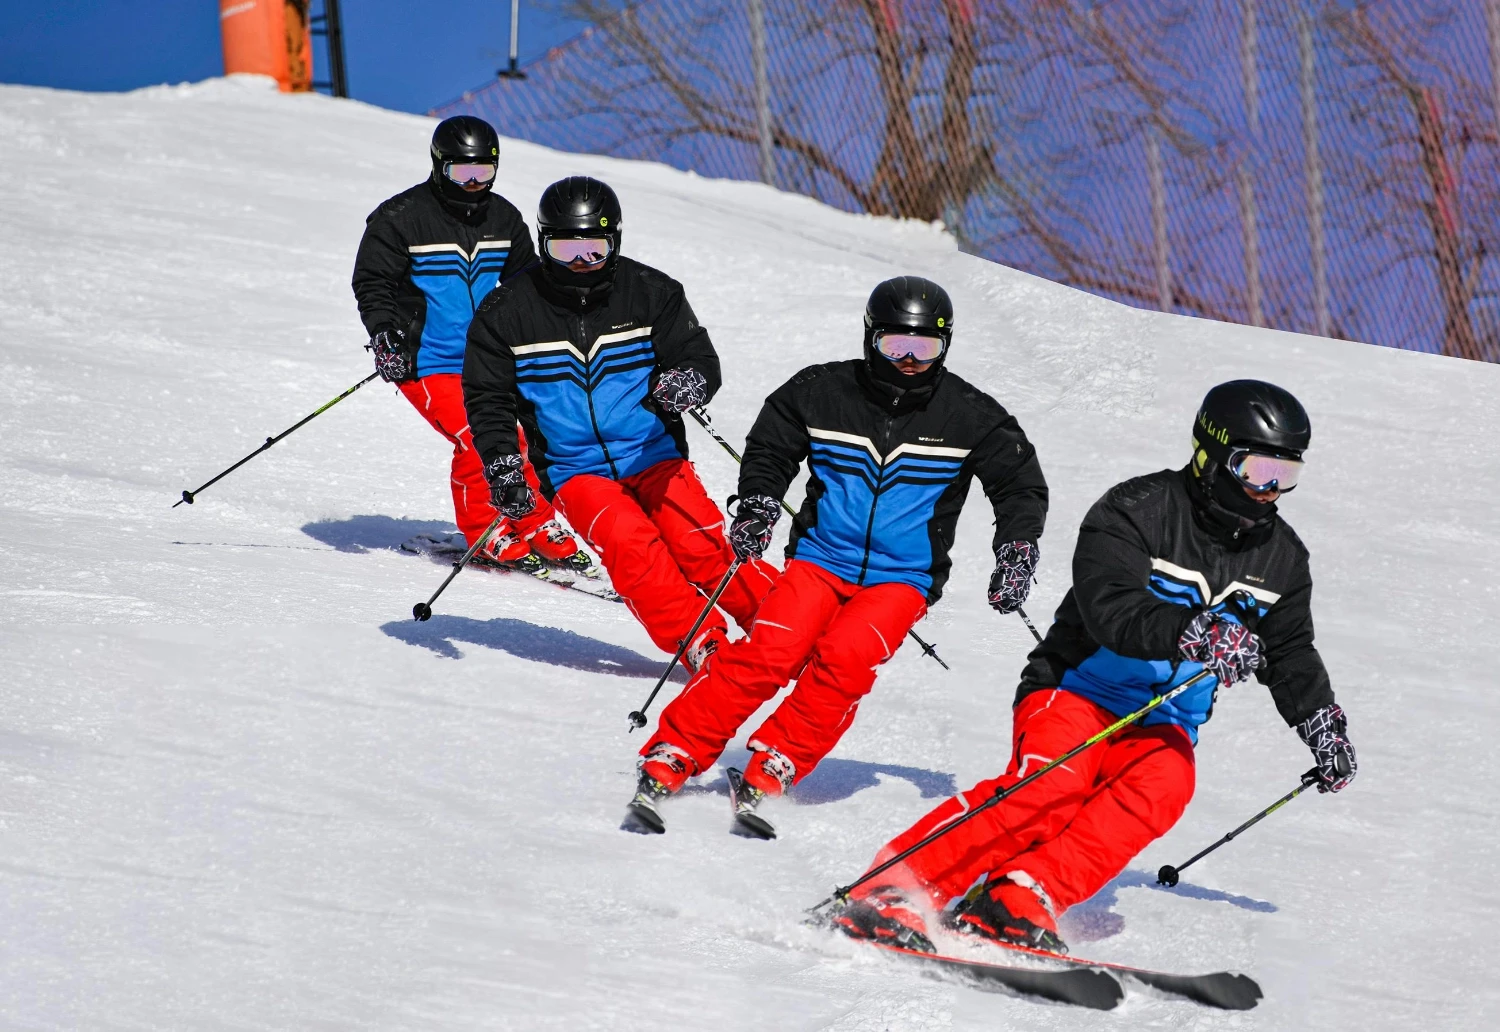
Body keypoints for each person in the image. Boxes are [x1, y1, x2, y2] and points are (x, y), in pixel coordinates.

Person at [831, 380, 1357, 955]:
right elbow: (1110, 608)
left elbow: (1290, 651)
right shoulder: (1135, 511)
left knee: (1166, 785)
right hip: (1078, 687)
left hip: (1165, 718)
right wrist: (1193, 633)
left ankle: (1021, 894)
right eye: (1257, 470)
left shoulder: (1283, 558)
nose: (1269, 491)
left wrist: (1320, 724)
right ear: (1210, 454)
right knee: (1051, 786)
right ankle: (894, 888)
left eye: (1286, 475)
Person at [629, 276, 1049, 833]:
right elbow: (772, 445)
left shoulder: (971, 416)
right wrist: (757, 502)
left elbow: (1020, 484)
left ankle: (779, 756)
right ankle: (676, 747)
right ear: (870, 337)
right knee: (772, 650)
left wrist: (1016, 550)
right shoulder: (823, 391)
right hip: (820, 560)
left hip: (903, 578)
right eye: (894, 345)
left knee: (847, 659)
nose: (908, 361)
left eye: (925, 348)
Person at [462, 176, 778, 667]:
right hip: (575, 470)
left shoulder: (651, 293)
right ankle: (703, 641)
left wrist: (688, 380)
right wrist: (503, 465)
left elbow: (697, 354)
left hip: (654, 453)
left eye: (596, 248)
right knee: (633, 550)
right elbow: (488, 399)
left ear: (616, 241)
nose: (582, 262)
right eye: (566, 248)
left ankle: (781, 625)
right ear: (544, 244)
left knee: (701, 544)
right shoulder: (508, 312)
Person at [352, 115, 586, 572]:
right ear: (439, 166)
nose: (475, 183)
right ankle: (484, 529)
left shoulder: (503, 218)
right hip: (427, 359)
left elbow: (527, 283)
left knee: (533, 435)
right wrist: (385, 335)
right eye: (463, 173)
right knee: (482, 439)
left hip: (489, 360)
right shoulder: (400, 219)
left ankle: (534, 520)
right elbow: (373, 282)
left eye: (485, 172)